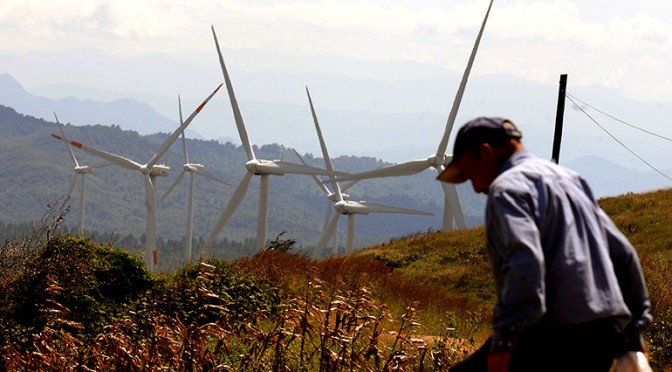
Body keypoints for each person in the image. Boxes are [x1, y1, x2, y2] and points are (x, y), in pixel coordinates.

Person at [437, 117, 652, 371]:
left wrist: (504, 342)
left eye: (469, 174)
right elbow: (623, 255)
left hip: (553, 335)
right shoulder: (572, 180)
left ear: (485, 153)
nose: (475, 187)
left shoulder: (506, 189)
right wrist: (634, 333)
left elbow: (525, 264)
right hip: (603, 338)